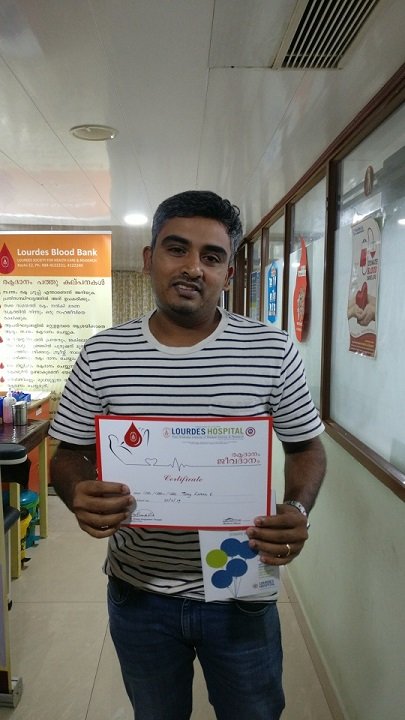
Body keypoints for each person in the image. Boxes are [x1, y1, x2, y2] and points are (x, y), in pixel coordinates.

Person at [49, 190, 326, 720]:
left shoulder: (272, 351)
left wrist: (297, 508)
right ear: (149, 258)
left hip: (241, 587)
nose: (193, 267)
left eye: (212, 256)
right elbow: (69, 453)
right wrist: (77, 489)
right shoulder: (102, 354)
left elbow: (306, 447)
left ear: (229, 272)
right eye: (177, 249)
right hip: (139, 590)